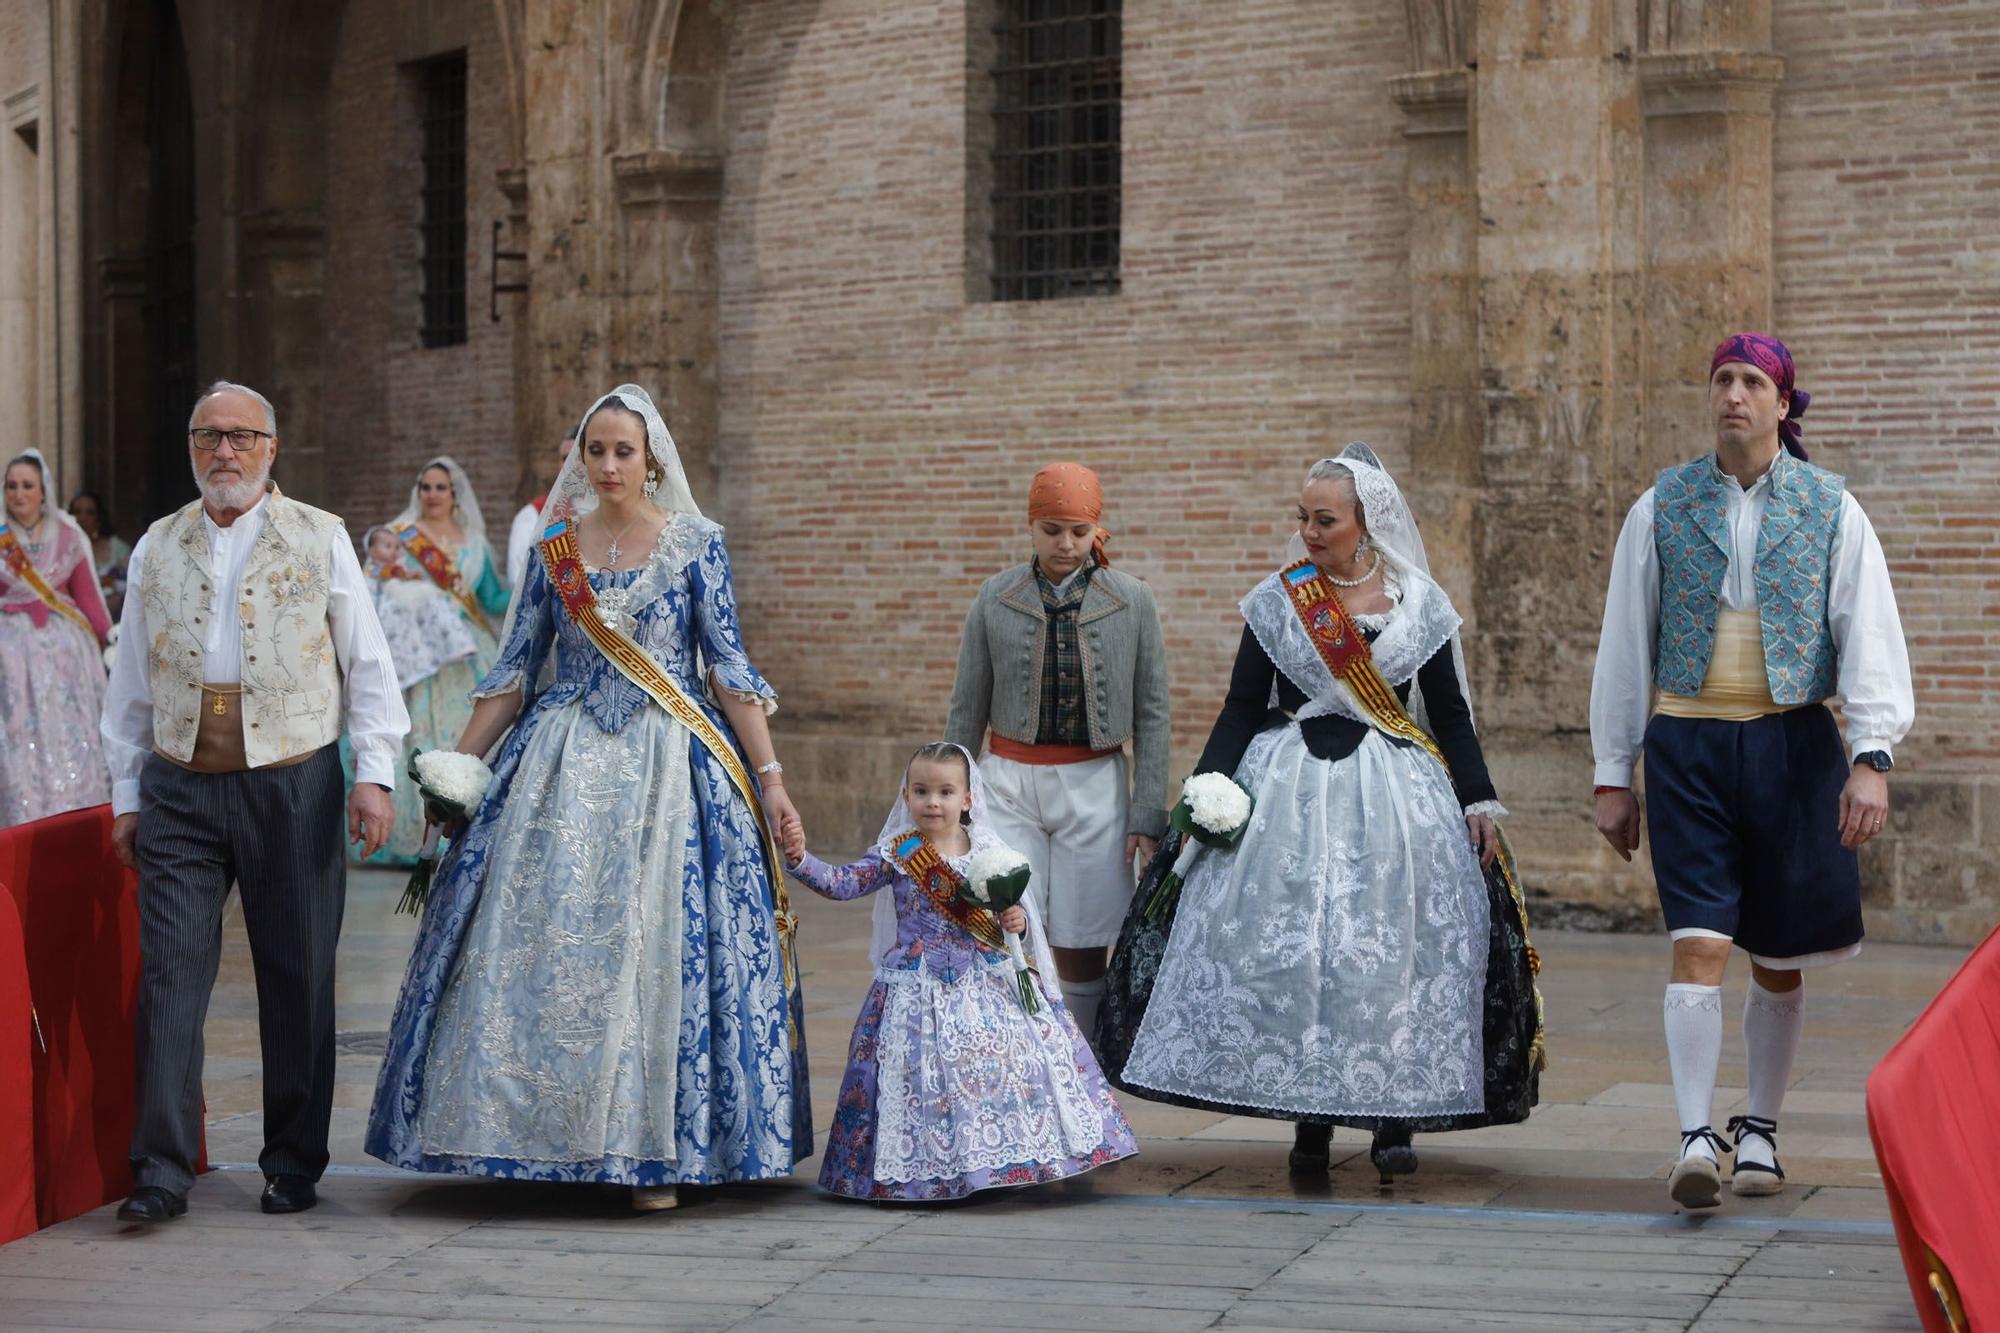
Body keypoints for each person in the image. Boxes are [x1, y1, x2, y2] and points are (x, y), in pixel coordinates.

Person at [366, 384, 810, 1213]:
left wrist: (773, 779)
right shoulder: (552, 546)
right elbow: (511, 672)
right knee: (546, 949)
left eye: (623, 452)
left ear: (652, 461)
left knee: (661, 954)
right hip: (558, 765)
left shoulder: (695, 545)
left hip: (674, 768)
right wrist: (455, 771)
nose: (607, 465)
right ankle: (537, 1139)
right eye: (595, 450)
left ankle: (661, 1157)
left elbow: (728, 669)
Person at [1102, 445, 1542, 1180]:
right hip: (1289, 794)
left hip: (1395, 799)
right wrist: (1202, 793)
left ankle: (1392, 1115)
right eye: (1302, 517)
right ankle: (1309, 1115)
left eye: (1324, 519)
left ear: (1366, 523)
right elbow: (1244, 705)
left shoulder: (1420, 604)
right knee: (1300, 954)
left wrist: (1477, 799)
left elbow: (1452, 715)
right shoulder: (1281, 599)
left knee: (1387, 952)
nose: (1308, 531)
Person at [1589, 333, 1913, 1211]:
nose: (1734, 393)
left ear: (1782, 404)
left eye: (1753, 381)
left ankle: (1759, 1127)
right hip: (1689, 744)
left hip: (1793, 747)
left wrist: (1871, 758)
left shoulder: (1831, 508)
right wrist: (1613, 771)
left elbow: (1869, 632)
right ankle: (1695, 1132)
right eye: (1723, 380)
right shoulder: (1660, 506)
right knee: (1696, 943)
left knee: (1779, 956)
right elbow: (1627, 641)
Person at [101, 381, 409, 1223]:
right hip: (178, 784)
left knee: (298, 972)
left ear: (272, 449)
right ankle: (160, 1167)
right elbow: (130, 679)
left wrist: (374, 773)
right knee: (169, 975)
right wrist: (126, 793)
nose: (224, 453)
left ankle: (292, 1160)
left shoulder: (321, 536)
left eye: (241, 438)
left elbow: (369, 662)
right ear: (192, 447)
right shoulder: (158, 546)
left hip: (293, 777)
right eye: (208, 437)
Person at [783, 741, 1137, 1201]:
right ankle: (926, 1171)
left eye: (946, 792)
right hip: (914, 988)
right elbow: (843, 883)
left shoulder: (991, 851)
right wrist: (799, 859)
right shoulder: (898, 852)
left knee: (1005, 1068)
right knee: (917, 1081)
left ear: (968, 799)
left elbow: (1017, 916)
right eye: (922, 790)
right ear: (905, 796)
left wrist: (1018, 921)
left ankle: (1008, 1160)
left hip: (987, 982)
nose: (933, 801)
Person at [944, 463, 1170, 1040]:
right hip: (1008, 780)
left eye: (1077, 530)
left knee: (1083, 934)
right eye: (1050, 529)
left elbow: (1152, 714)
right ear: (1030, 526)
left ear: (1098, 530)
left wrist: (1147, 813)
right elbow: (967, 707)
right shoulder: (996, 596)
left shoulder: (1133, 601)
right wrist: (953, 798)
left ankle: (1085, 1064)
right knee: (1007, 921)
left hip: (1095, 784)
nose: (1064, 544)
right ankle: (1017, 1054)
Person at [357, 458, 511, 865]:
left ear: (455, 494)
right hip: (417, 655)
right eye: (425, 487)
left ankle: (463, 830)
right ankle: (406, 838)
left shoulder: (475, 542)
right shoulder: (402, 536)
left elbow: (492, 598)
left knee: (473, 735)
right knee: (414, 735)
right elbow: (374, 581)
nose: (432, 495)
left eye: (441, 487)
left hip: (466, 651)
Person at [1, 450, 113, 826]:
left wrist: (109, 641)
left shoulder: (68, 534)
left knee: (71, 740)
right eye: (12, 486)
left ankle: (74, 812)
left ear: (43, 491)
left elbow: (88, 598)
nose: (19, 494)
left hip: (66, 662)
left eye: (27, 486)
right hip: (11, 659)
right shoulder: (1, 537)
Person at [361, 524, 480, 692]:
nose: (394, 551)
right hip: (381, 602)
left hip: (399, 595)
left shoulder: (397, 566)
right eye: (387, 546)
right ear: (372, 551)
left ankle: (454, 644)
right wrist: (405, 575)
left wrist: (409, 576)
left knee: (432, 601)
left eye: (397, 546)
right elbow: (391, 573)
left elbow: (399, 573)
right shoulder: (375, 569)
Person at [506, 428, 577, 590]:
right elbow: (519, 582)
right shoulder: (533, 516)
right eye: (566, 458)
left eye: (579, 457)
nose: (572, 464)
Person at [66, 489, 131, 620]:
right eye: (77, 512)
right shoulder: (62, 548)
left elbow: (129, 585)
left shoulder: (117, 549)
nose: (82, 518)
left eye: (90, 513)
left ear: (99, 517)